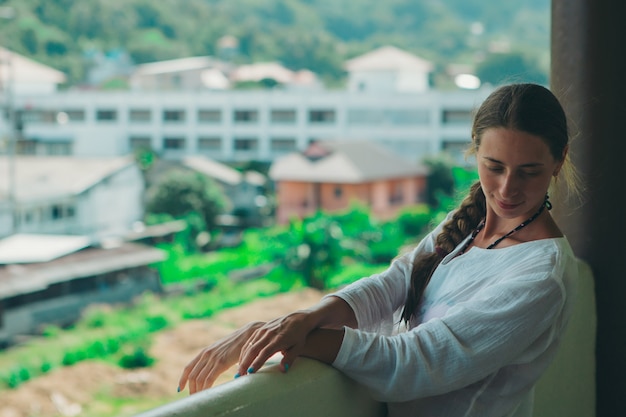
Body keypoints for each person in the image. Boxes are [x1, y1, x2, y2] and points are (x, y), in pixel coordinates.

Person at [178, 83, 582, 417]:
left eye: (528, 172)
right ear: (474, 151)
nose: (507, 189)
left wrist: (285, 337)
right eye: (494, 166)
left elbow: (415, 362)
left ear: (558, 160)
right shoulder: (469, 224)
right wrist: (303, 319)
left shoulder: (541, 275)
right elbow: (395, 283)